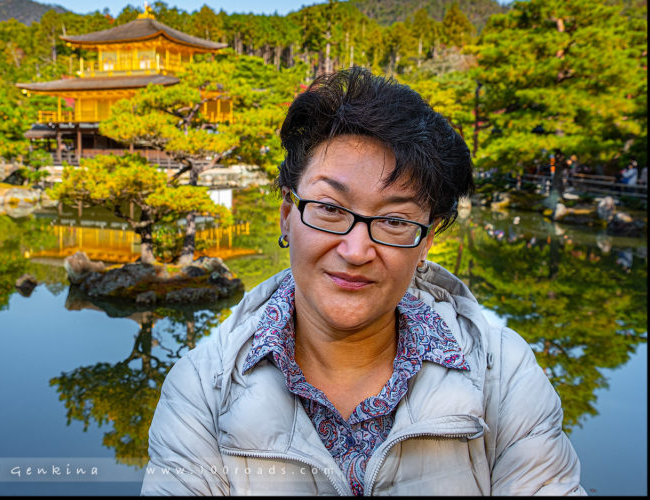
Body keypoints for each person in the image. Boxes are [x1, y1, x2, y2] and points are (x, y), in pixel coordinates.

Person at [141, 68, 584, 496]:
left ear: (425, 241)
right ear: (287, 217)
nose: (355, 252)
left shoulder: (501, 374)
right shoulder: (203, 387)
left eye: (394, 220)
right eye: (330, 208)